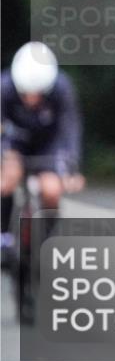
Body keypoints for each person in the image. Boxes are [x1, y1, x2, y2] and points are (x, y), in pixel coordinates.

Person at [1, 42, 84, 268]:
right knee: (7, 180)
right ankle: (4, 238)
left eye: (37, 94)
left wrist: (71, 168)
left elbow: (70, 130)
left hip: (49, 144)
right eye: (25, 94)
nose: (31, 100)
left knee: (51, 190)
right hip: (15, 141)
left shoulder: (62, 89)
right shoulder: (5, 87)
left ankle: (47, 241)